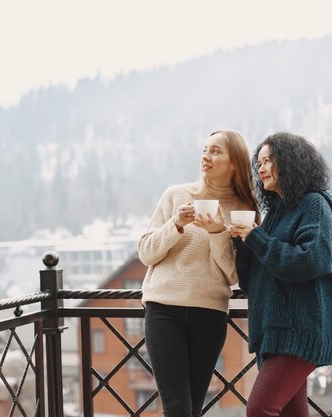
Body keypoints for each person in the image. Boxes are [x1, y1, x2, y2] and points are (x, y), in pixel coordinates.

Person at [138, 129, 258, 417]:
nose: (206, 156)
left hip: (210, 314)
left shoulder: (244, 210)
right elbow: (146, 253)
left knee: (192, 407)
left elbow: (234, 275)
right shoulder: (176, 196)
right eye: (205, 149)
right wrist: (176, 225)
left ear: (234, 163)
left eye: (216, 151)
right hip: (164, 309)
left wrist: (217, 231)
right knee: (177, 408)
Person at [229, 131, 332, 417]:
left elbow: (310, 260)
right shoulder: (276, 213)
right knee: (292, 413)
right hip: (277, 332)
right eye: (259, 163)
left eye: (268, 160)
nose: (261, 168)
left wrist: (256, 238)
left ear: (291, 163)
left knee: (260, 409)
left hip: (300, 329)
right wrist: (242, 242)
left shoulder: (314, 205)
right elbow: (253, 279)